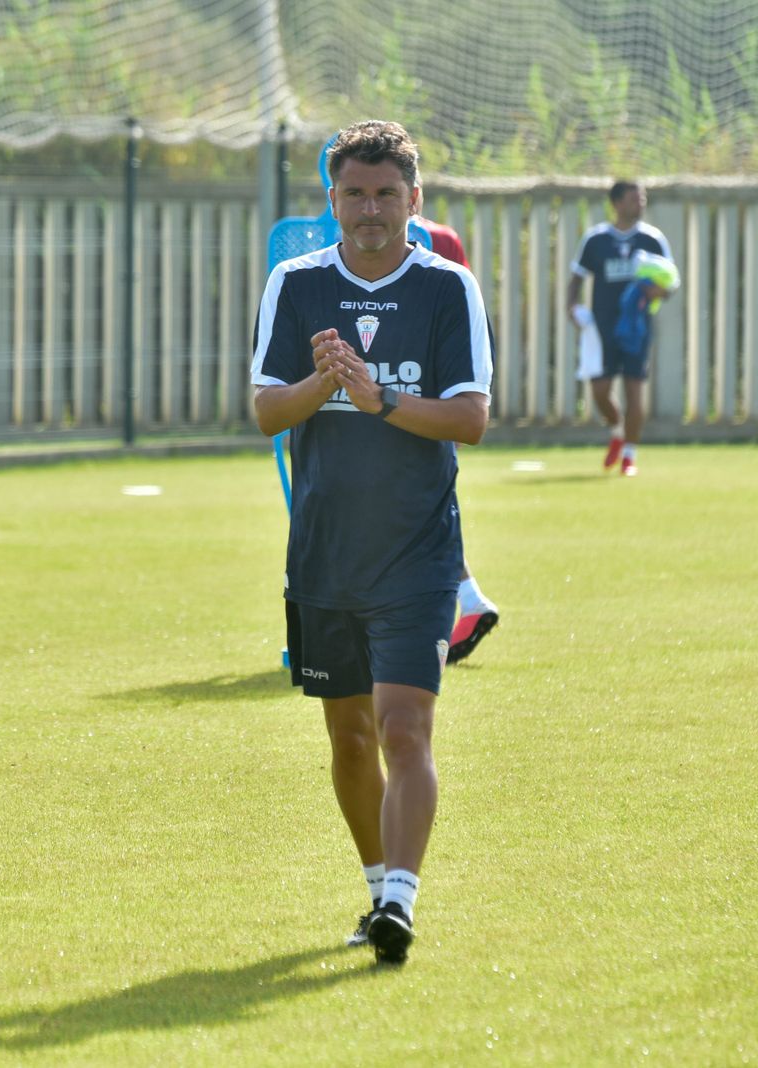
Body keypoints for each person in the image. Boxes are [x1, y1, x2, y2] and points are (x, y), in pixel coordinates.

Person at [251, 120, 493, 966]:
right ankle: (375, 883)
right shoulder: (296, 283)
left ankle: (400, 902)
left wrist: (378, 398)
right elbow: (265, 412)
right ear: (332, 202)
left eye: (388, 193)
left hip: (417, 554)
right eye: (354, 193)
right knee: (348, 738)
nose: (370, 209)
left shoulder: (447, 287)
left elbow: (469, 419)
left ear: (414, 201)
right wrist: (327, 380)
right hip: (322, 552)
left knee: (403, 730)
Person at [410, 207, 500, 665]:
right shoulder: (445, 237)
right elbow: (469, 317)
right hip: (445, 393)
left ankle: (463, 600)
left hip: (405, 398)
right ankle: (467, 598)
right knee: (433, 498)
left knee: (418, 508)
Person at [566, 181, 675, 477]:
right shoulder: (596, 239)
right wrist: (572, 307)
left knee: (634, 391)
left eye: (643, 198)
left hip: (637, 329)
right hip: (602, 328)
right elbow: (576, 278)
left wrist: (658, 292)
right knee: (600, 390)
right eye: (633, 198)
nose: (640, 203)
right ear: (616, 203)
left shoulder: (653, 240)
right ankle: (617, 430)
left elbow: (670, 283)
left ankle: (629, 456)